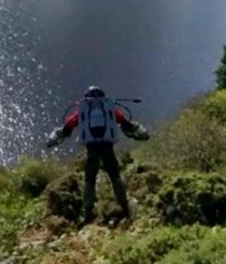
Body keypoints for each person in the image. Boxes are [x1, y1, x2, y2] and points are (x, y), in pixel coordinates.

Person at [46, 86, 149, 222]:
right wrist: (136, 131)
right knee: (115, 176)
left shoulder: (83, 111)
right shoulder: (109, 109)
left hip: (92, 148)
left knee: (90, 178)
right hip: (107, 146)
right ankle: (124, 206)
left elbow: (68, 126)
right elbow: (126, 124)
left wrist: (56, 138)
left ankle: (88, 210)